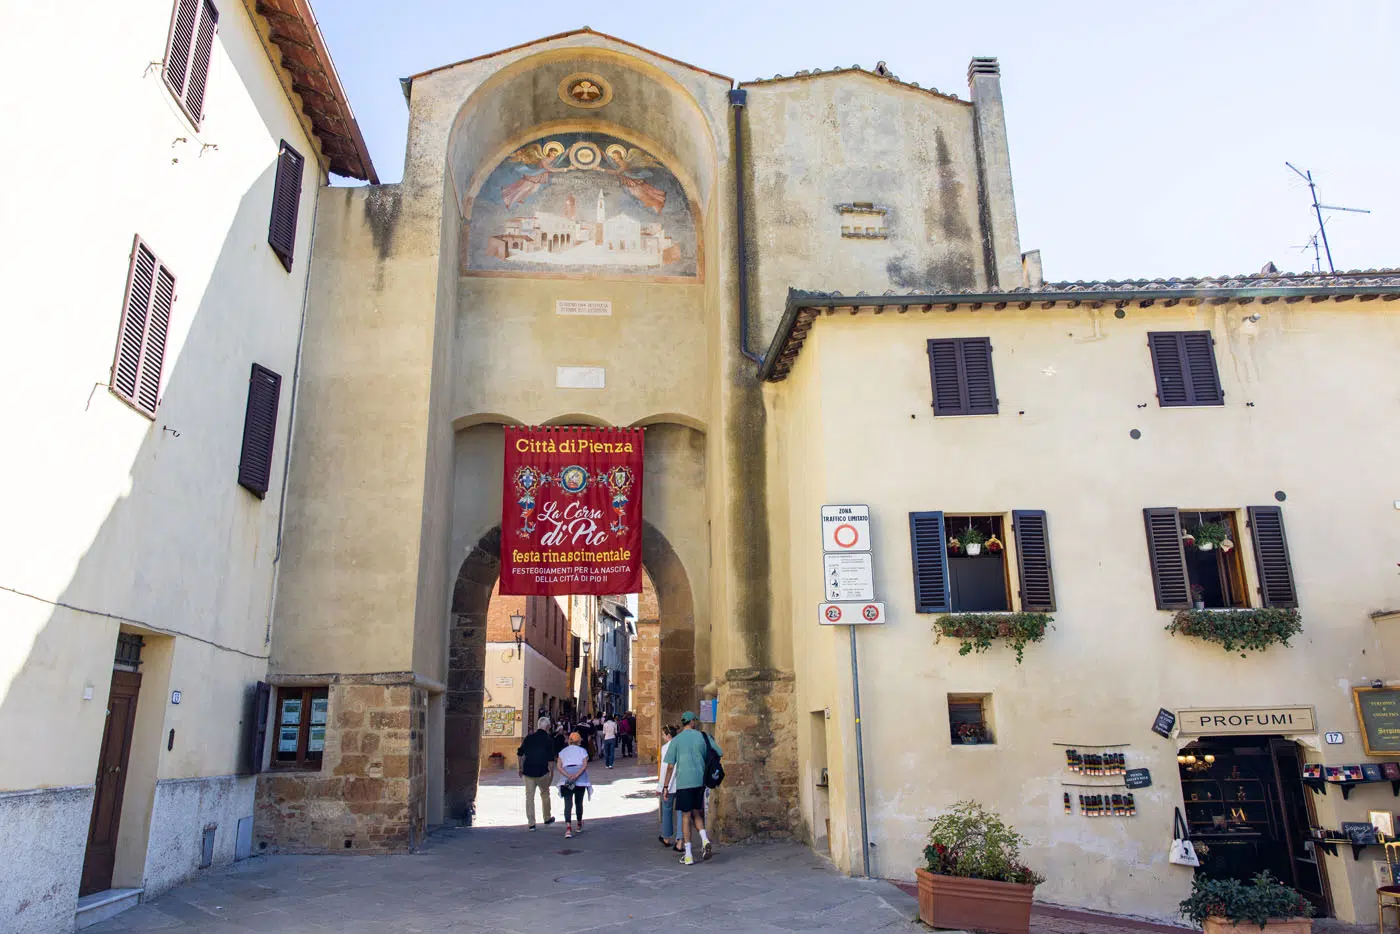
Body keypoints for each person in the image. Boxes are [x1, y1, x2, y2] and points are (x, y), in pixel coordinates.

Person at [662, 711, 721, 865]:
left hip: (684, 782)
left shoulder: (676, 740)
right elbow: (719, 752)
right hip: (699, 781)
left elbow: (669, 766)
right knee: (697, 813)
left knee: (686, 817)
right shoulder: (703, 736)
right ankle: (704, 839)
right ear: (693, 722)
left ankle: (688, 854)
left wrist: (666, 786)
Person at [516, 716, 556, 830]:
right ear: (547, 727)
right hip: (542, 771)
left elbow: (519, 753)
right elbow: (551, 760)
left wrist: (520, 768)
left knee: (529, 797)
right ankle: (547, 818)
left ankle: (531, 823)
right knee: (545, 794)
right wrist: (551, 773)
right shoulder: (548, 740)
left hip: (528, 771)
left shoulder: (529, 738)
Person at [556, 731, 591, 838]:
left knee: (568, 803)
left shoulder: (563, 752)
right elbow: (585, 765)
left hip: (566, 779)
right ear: (579, 741)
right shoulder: (582, 751)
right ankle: (579, 824)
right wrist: (576, 775)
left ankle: (568, 828)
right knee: (578, 802)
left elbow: (559, 766)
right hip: (580, 779)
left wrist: (568, 775)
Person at [656, 724, 680, 851]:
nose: (662, 736)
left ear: (668, 735)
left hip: (669, 785)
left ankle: (666, 836)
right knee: (681, 812)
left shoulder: (666, 748)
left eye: (663, 734)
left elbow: (665, 768)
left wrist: (661, 787)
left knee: (667, 810)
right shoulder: (681, 746)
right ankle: (680, 838)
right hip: (681, 783)